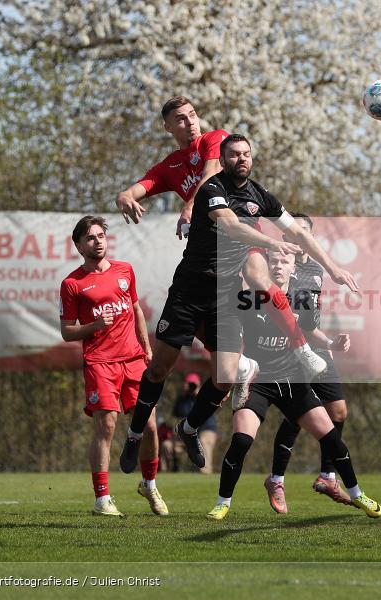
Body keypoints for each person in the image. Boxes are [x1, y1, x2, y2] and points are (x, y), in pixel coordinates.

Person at [118, 133, 359, 474]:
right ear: (224, 158)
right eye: (233, 154)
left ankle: (189, 428)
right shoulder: (211, 190)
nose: (241, 159)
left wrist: (334, 269)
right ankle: (134, 433)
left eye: (246, 154)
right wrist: (273, 244)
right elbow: (231, 227)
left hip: (224, 295)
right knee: (160, 368)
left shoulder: (259, 195)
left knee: (226, 377)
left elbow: (301, 234)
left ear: (251, 158)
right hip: (189, 290)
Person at [206, 249, 381, 521]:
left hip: (292, 379)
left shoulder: (302, 298)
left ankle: (358, 494)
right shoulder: (246, 297)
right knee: (241, 440)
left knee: (332, 437)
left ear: (293, 268)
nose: (277, 266)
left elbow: (310, 332)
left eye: (283, 262)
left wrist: (332, 343)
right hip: (257, 380)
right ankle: (222, 502)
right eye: (272, 261)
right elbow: (226, 331)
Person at [59, 215, 168, 517]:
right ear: (79, 245)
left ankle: (149, 483)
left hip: (133, 360)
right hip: (100, 362)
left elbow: (135, 310)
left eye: (101, 236)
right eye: (91, 238)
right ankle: (102, 499)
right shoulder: (72, 283)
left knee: (148, 425)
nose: (98, 241)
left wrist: (146, 348)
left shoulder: (125, 271)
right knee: (106, 426)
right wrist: (93, 325)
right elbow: (67, 331)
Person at [266, 213, 353, 510]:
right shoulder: (275, 265)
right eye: (293, 231)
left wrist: (330, 343)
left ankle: (328, 475)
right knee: (297, 416)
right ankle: (276, 478)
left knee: (339, 411)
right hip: (288, 351)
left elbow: (309, 324)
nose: (297, 236)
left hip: (314, 347)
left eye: (304, 232)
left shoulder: (316, 270)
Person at [116, 96, 227, 239]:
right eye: (181, 119)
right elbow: (130, 193)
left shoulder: (216, 137)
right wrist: (122, 198)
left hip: (236, 222)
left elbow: (211, 175)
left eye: (192, 115)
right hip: (205, 235)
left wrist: (189, 207)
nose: (190, 122)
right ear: (168, 128)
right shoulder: (168, 167)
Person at [172, 373, 219, 474]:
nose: (192, 387)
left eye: (194, 384)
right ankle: (168, 473)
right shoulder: (182, 400)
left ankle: (205, 472)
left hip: (207, 430)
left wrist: (198, 392)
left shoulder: (205, 395)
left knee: (203, 440)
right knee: (168, 445)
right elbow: (176, 416)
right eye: (190, 384)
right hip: (189, 432)